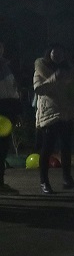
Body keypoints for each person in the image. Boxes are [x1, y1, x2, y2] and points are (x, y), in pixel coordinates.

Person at [33, 44, 74, 194]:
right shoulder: (40, 69)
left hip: (66, 113)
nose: (57, 55)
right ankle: (44, 182)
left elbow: (73, 90)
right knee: (47, 149)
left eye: (61, 52)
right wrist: (54, 78)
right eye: (54, 52)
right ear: (48, 54)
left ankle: (67, 180)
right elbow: (38, 89)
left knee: (66, 148)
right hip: (50, 113)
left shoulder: (68, 71)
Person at [0, 41, 21, 195]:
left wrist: (16, 112)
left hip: (7, 111)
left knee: (3, 149)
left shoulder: (6, 66)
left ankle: (0, 183)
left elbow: (13, 91)